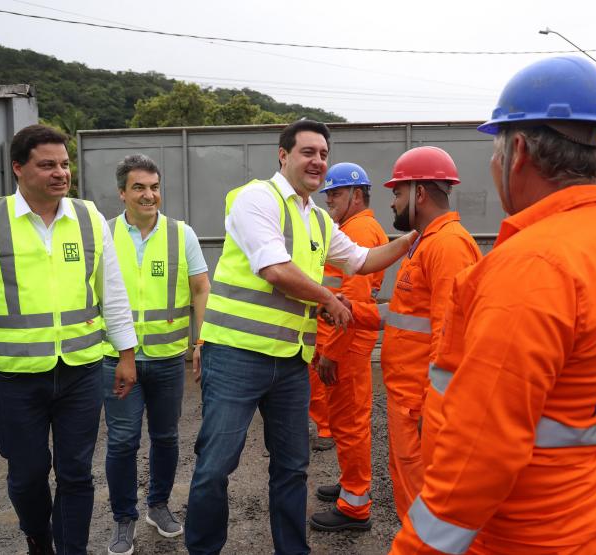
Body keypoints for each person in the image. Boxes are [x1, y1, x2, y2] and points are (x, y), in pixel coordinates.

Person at [390, 56, 596, 554]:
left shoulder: (535, 265)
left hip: (525, 534)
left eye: (493, 152)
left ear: (516, 151)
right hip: (591, 514)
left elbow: (480, 455)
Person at [183, 119, 417, 555]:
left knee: (292, 468)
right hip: (236, 354)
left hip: (290, 359)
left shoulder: (318, 221)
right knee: (215, 467)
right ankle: (203, 548)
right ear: (283, 155)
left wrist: (412, 240)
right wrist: (330, 300)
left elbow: (362, 260)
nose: (318, 161)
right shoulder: (257, 198)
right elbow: (274, 268)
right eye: (309, 152)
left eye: (324, 154)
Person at [0, 124, 138, 555]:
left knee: (76, 474)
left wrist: (126, 355)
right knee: (28, 473)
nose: (60, 173)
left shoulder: (89, 217)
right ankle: (38, 536)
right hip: (18, 377)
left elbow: (112, 293)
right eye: (47, 164)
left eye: (65, 164)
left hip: (82, 371)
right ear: (18, 168)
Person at [103, 154, 211, 555]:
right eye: (139, 188)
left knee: (165, 437)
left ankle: (158, 505)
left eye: (153, 187)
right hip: (115, 357)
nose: (149, 195)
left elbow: (200, 288)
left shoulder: (181, 234)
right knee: (122, 441)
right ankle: (123, 518)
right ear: (122, 193)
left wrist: (202, 341)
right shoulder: (103, 233)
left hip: (166, 357)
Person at [368, 146, 483, 520]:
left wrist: (434, 411)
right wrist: (350, 312)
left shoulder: (447, 245)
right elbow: (407, 315)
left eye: (397, 193)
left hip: (420, 405)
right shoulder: (425, 242)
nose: (392, 203)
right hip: (408, 401)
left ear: (419, 192)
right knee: (411, 504)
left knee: (426, 512)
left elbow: (451, 335)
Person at [308, 162, 388, 532]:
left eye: (336, 194)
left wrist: (331, 354)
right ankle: (349, 483)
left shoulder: (359, 230)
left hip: (347, 346)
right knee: (345, 421)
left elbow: (349, 304)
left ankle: (355, 505)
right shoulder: (355, 228)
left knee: (351, 423)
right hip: (346, 343)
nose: (329, 201)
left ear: (357, 194)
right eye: (327, 195)